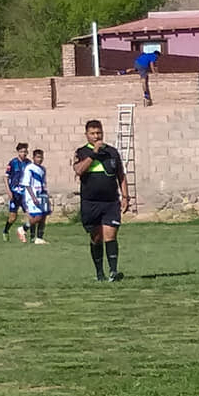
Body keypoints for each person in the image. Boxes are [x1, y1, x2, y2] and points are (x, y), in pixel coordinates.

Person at [73, 120, 130, 281]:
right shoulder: (81, 152)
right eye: (93, 133)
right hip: (90, 203)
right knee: (96, 237)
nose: (97, 136)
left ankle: (113, 271)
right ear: (87, 135)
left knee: (110, 234)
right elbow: (79, 170)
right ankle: (100, 273)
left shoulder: (112, 152)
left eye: (99, 132)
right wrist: (93, 154)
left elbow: (121, 175)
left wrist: (125, 196)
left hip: (110, 202)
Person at [21, 149, 52, 244]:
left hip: (42, 194)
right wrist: (33, 197)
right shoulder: (29, 168)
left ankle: (39, 238)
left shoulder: (43, 169)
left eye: (41, 157)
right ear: (33, 158)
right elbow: (27, 184)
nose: (40, 159)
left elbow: (43, 183)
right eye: (38, 157)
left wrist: (46, 195)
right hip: (33, 196)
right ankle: (23, 229)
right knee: (37, 217)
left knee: (43, 216)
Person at [3, 143, 31, 242]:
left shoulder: (29, 163)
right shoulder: (13, 163)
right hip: (14, 194)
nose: (23, 153)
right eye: (21, 151)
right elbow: (6, 177)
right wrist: (8, 191)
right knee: (12, 218)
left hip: (25, 194)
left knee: (32, 216)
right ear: (18, 152)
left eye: (25, 151)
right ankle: (5, 231)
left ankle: (23, 231)